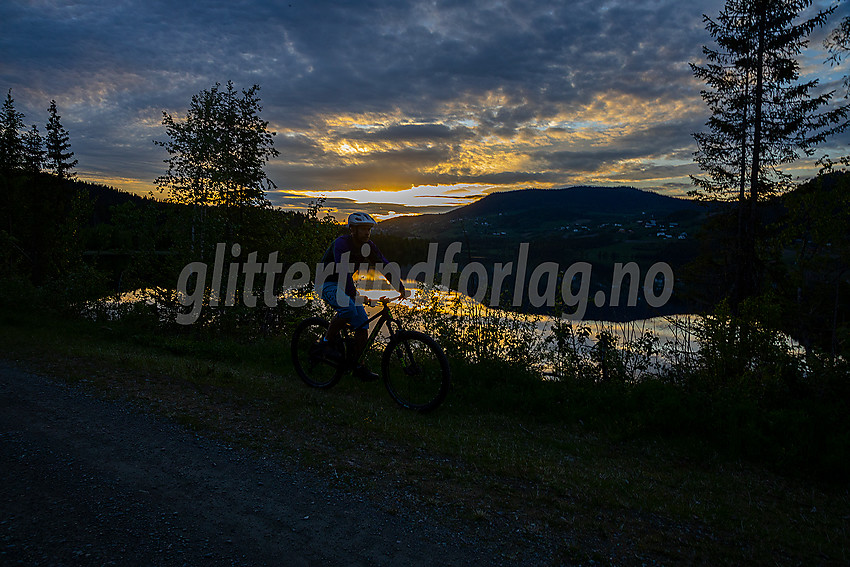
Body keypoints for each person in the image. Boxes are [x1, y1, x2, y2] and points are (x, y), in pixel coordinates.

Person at [316, 212, 408, 381]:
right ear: (353, 230)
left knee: (362, 322)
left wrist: (400, 287)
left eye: (369, 229)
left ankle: (358, 364)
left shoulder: (369, 246)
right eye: (363, 229)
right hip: (327, 283)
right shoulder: (341, 244)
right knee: (349, 309)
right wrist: (355, 295)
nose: (367, 233)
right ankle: (326, 343)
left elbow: (383, 264)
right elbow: (343, 272)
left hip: (344, 285)